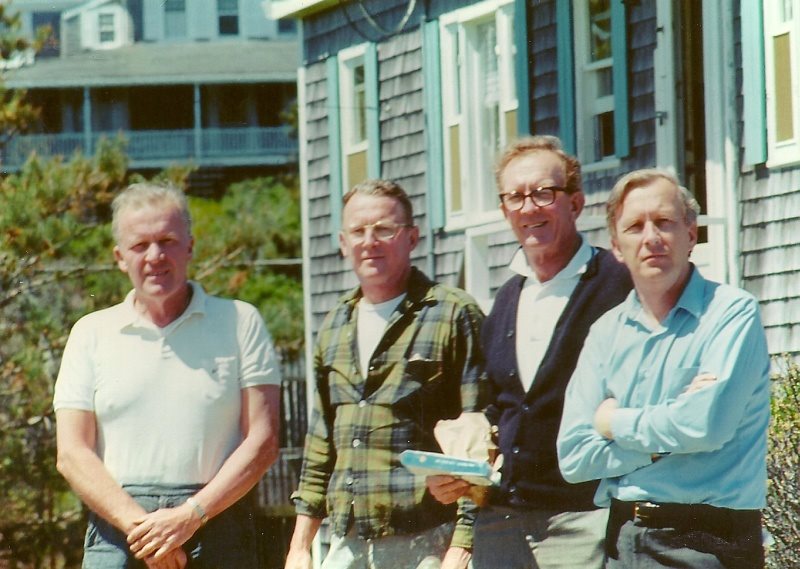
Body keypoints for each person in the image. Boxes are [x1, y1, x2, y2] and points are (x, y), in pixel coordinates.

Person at [427, 135, 632, 569]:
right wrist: (457, 471)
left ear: (575, 203)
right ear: (504, 211)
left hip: (584, 518)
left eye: (543, 193)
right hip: (502, 521)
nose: (529, 207)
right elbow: (501, 409)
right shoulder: (505, 300)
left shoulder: (618, 285)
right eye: (515, 197)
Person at [54, 182, 282, 569]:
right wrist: (143, 529)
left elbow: (263, 440)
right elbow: (72, 453)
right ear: (119, 257)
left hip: (216, 521)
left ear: (190, 247)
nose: (155, 256)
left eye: (168, 240)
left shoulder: (240, 321)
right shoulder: (90, 333)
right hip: (118, 529)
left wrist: (190, 516)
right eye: (140, 245)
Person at [557, 168, 770, 568]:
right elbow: (574, 456)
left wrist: (612, 421)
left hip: (710, 543)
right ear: (617, 247)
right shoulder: (605, 333)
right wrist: (664, 440)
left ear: (691, 234)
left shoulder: (731, 313)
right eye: (635, 226)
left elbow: (706, 425)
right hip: (623, 540)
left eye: (665, 222)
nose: (651, 237)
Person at [283, 179, 486, 569]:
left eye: (384, 229)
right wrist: (299, 546)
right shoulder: (334, 325)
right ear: (343, 243)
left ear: (411, 237)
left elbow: (481, 440)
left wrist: (461, 548)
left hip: (429, 542)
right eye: (358, 231)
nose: (369, 241)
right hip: (349, 543)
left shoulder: (452, 314)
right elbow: (322, 443)